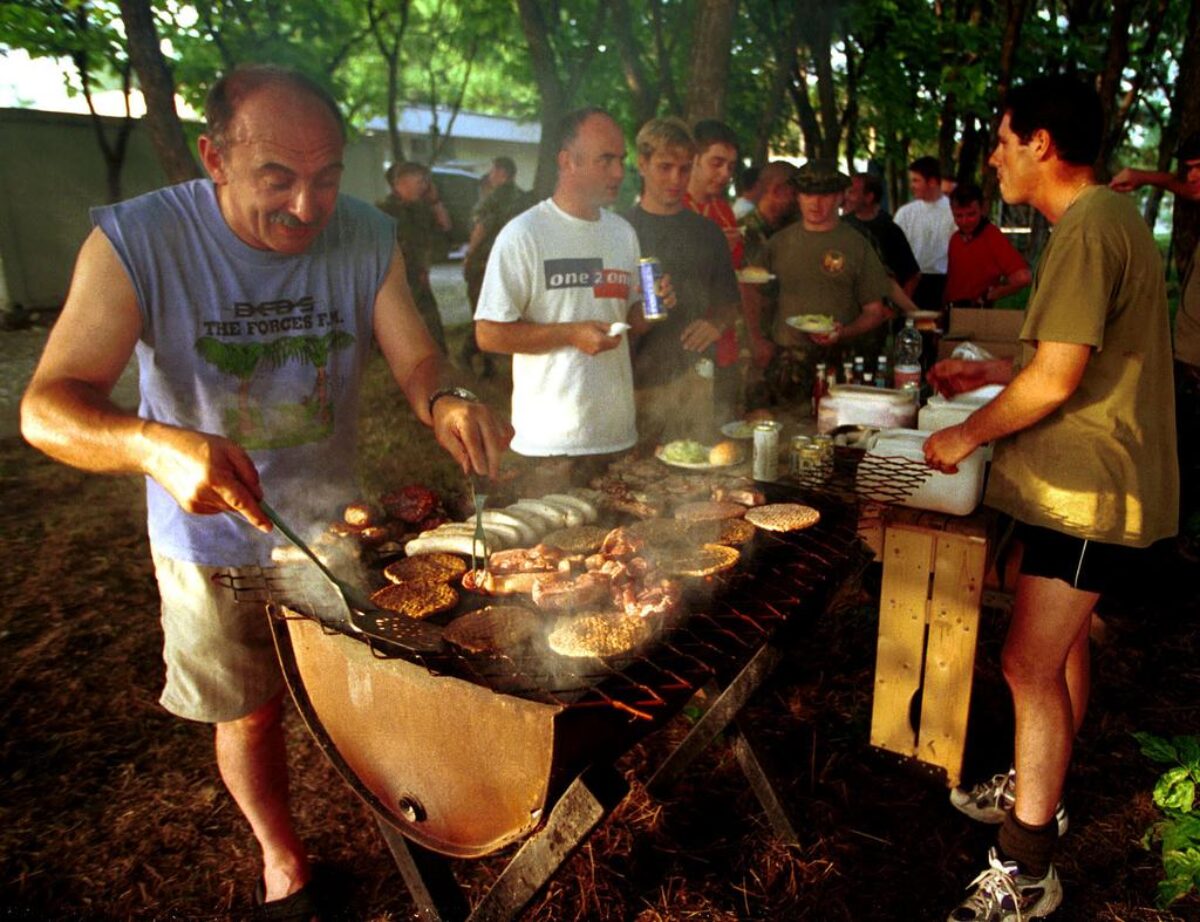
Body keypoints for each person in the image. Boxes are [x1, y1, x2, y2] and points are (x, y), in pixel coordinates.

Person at [19, 64, 511, 920]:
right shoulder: (141, 240)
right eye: (276, 178)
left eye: (327, 177)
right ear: (214, 157)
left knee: (366, 686)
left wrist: (446, 399)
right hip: (208, 539)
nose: (307, 206)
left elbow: (418, 357)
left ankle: (406, 815)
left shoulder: (366, 235)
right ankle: (283, 859)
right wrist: (155, 446)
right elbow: (46, 408)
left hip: (334, 533)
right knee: (248, 713)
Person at [924, 75, 1178, 922]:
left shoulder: (1088, 227)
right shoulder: (1102, 219)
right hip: (1080, 480)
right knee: (1058, 651)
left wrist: (965, 435)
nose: (994, 158)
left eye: (1003, 141)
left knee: (1025, 664)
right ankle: (1043, 787)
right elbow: (1074, 356)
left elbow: (1059, 380)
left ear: (1041, 143)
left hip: (1089, 485)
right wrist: (993, 373)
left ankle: (1027, 866)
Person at [474, 108, 648, 488]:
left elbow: (631, 321)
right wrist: (570, 334)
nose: (619, 172)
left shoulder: (622, 233)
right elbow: (488, 334)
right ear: (567, 161)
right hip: (550, 445)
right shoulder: (524, 234)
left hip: (618, 436)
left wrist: (655, 305)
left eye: (621, 160)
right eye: (606, 160)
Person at [1110, 132, 1200, 560]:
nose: (1193, 179)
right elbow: (1190, 189)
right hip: (1189, 359)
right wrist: (1145, 177)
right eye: (1190, 170)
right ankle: (1170, 541)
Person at [623, 117, 740, 443]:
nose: (676, 179)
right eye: (665, 167)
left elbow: (730, 303)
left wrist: (716, 323)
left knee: (693, 465)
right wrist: (643, 313)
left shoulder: (709, 232)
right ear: (642, 164)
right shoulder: (618, 231)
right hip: (632, 383)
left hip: (694, 380)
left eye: (685, 169)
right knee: (631, 468)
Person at [751, 160, 891, 409]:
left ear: (839, 197)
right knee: (788, 426)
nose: (815, 203)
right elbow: (755, 295)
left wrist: (842, 332)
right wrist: (759, 340)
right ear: (798, 196)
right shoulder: (777, 243)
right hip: (787, 362)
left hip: (840, 363)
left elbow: (875, 311)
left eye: (824, 195)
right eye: (807, 194)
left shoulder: (858, 244)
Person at [683, 119, 756, 421]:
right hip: (684, 338)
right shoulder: (675, 207)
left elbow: (732, 277)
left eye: (731, 166)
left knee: (722, 425)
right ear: (694, 159)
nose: (725, 174)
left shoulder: (724, 211)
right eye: (717, 163)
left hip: (722, 338)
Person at [375, 160, 452, 353]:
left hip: (418, 278)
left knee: (432, 329)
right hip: (395, 282)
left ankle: (438, 359)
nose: (424, 186)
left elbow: (445, 226)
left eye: (425, 182)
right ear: (401, 183)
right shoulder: (383, 211)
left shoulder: (421, 208)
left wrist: (435, 201)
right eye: (420, 182)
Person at [461, 156, 527, 377]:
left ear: (501, 173)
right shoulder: (523, 199)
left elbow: (481, 227)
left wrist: (469, 254)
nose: (490, 176)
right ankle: (488, 362)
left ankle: (470, 353)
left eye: (493, 171)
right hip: (512, 261)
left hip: (485, 261)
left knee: (481, 309)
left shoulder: (494, 198)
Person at [942, 182, 1032, 307]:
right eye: (958, 216)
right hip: (953, 309)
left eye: (971, 214)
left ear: (982, 209)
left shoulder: (992, 237)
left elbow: (1023, 277)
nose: (965, 221)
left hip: (980, 310)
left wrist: (996, 293)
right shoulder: (955, 239)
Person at [842, 171, 921, 297]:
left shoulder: (889, 229)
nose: (846, 197)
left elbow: (912, 275)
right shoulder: (841, 226)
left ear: (869, 197)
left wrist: (898, 306)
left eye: (852, 192)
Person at [894, 155, 957, 310]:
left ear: (932, 182)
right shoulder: (905, 213)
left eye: (916, 180)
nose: (912, 186)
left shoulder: (953, 213)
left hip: (942, 282)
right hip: (911, 282)